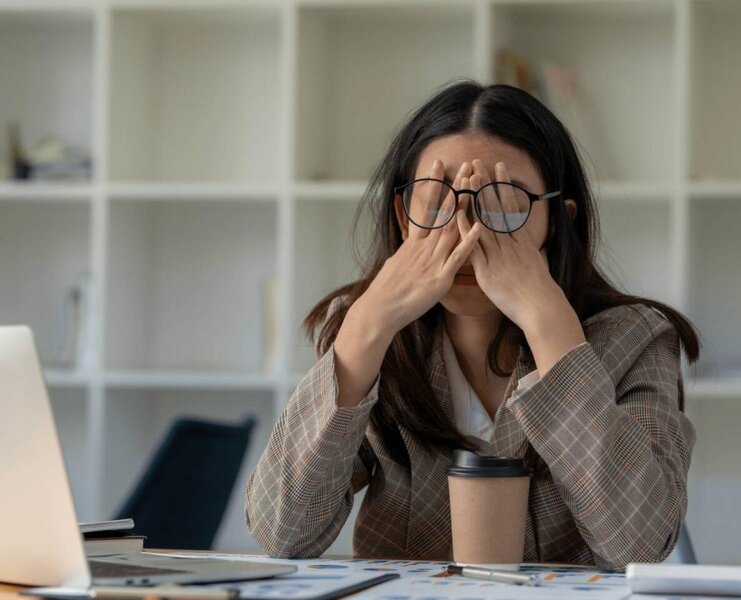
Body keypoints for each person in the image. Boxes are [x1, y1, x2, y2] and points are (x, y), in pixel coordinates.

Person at [244, 80, 699, 571]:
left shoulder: (636, 339)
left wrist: (550, 327)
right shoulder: (368, 333)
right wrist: (367, 326)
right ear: (403, 216)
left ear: (558, 220)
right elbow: (281, 534)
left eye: (501, 203)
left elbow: (639, 546)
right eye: (438, 201)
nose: (466, 232)